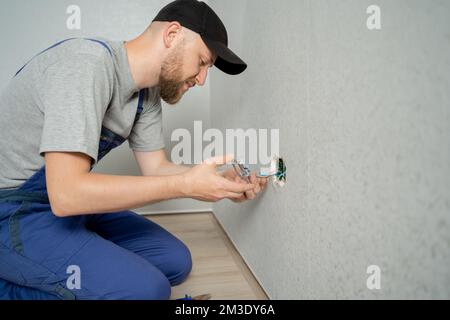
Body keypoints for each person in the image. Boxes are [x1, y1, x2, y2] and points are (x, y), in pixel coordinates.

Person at [0, 0, 267, 300]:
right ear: (172, 34)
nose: (202, 79)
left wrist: (220, 179)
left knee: (175, 262)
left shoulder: (147, 93)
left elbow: (156, 169)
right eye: (203, 61)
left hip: (61, 204)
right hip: (14, 212)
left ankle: (68, 257)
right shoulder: (84, 67)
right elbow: (67, 196)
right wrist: (185, 185)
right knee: (149, 290)